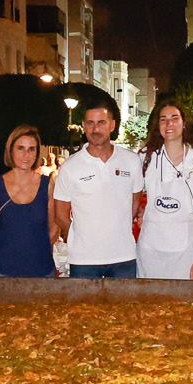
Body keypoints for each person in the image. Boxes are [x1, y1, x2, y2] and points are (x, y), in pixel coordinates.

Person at [53, 104, 143, 279]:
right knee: (82, 307)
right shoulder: (70, 167)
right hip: (83, 261)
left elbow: (135, 204)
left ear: (112, 125)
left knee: (124, 307)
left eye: (101, 122)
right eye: (90, 123)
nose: (96, 129)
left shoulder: (132, 161)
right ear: (84, 126)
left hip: (123, 257)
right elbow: (60, 215)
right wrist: (83, 236)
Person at [137, 98, 193, 280]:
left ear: (184, 123)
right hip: (151, 251)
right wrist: (140, 210)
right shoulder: (146, 158)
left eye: (174, 118)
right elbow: (130, 192)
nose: (169, 124)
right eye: (163, 119)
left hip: (187, 252)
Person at [0, 125, 58, 278]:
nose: (26, 154)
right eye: (21, 148)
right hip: (1, 272)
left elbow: (54, 228)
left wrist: (34, 252)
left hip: (41, 271)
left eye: (31, 149)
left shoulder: (48, 185)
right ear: (11, 150)